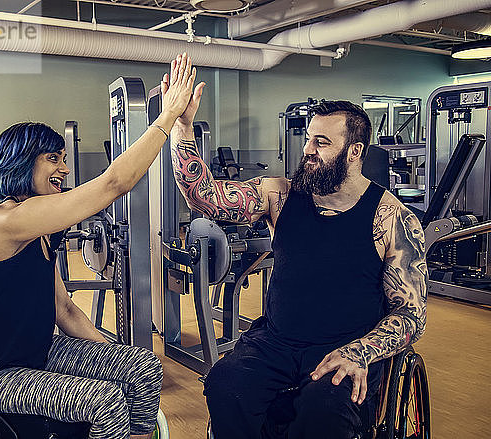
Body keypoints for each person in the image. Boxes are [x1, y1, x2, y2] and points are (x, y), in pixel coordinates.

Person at [0, 53, 198, 439]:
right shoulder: (2, 222)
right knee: (104, 401)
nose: (64, 169)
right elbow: (113, 184)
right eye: (53, 159)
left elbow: (64, 309)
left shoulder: (43, 232)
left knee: (143, 366)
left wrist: (114, 359)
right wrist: (166, 118)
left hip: (39, 353)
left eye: (64, 159)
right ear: (19, 164)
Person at [166, 83, 427, 439]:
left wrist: (361, 352)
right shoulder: (281, 196)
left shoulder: (392, 218)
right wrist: (182, 126)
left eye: (321, 142)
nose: (308, 150)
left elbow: (411, 313)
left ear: (354, 151)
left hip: (342, 349)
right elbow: (206, 200)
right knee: (225, 388)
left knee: (322, 416)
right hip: (275, 341)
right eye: (308, 139)